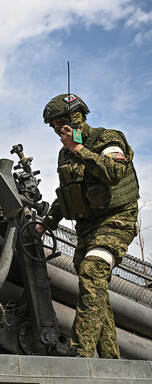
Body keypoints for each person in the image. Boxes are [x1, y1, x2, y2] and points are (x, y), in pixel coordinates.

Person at [36, 94, 139, 358]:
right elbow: (67, 194)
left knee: (92, 272)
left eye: (60, 121)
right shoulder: (65, 154)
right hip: (87, 228)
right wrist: (45, 225)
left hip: (116, 221)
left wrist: (79, 149)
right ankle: (111, 361)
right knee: (95, 291)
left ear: (76, 116)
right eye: (52, 125)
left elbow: (114, 173)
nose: (57, 129)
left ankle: (79, 354)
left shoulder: (107, 139)